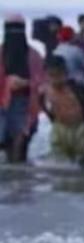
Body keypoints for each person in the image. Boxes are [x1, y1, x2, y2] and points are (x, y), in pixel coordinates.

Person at [0, 15, 45, 163]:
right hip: (2, 107)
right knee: (7, 147)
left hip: (26, 106)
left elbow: (43, 82)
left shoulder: (34, 56)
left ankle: (21, 175)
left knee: (21, 146)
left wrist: (26, 83)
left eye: (17, 30)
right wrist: (8, 82)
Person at [41, 56, 84, 166]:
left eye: (59, 75)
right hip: (59, 127)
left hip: (78, 128)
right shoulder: (46, 90)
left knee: (82, 156)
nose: (56, 80)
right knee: (59, 157)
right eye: (51, 76)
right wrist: (49, 114)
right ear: (46, 75)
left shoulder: (74, 88)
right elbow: (41, 103)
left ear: (66, 74)